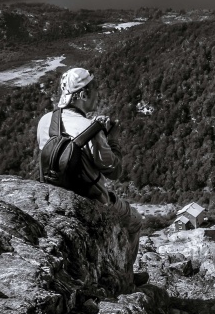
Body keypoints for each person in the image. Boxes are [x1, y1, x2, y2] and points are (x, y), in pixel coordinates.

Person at [37, 67, 145, 285]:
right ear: (83, 94)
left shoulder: (45, 121)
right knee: (134, 221)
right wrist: (111, 139)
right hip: (91, 199)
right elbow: (114, 170)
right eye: (93, 89)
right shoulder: (89, 128)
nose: (97, 94)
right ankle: (127, 278)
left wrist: (97, 134)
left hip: (56, 193)